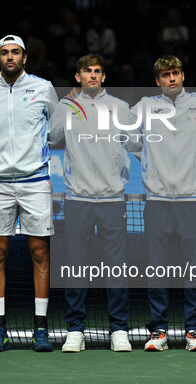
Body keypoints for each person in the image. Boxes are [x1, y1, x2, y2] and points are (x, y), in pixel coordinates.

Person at [0, 35, 57, 352]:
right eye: (4, 53)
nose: (10, 57)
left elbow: (57, 128)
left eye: (15, 52)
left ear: (24, 57)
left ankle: (41, 330)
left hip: (35, 182)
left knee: (40, 254)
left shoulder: (43, 88)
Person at [130, 55, 196, 352]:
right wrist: (150, 160)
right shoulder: (144, 106)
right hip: (157, 200)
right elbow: (127, 136)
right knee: (157, 269)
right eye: (166, 75)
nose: (172, 78)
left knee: (194, 269)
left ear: (183, 76)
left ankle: (194, 331)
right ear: (158, 81)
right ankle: (159, 332)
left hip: (192, 201)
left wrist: (195, 157)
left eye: (176, 73)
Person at [49, 54, 135, 352]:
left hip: (113, 199)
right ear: (78, 77)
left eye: (98, 71)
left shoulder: (120, 108)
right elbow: (49, 138)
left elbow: (137, 144)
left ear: (104, 76)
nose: (93, 76)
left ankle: (119, 330)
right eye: (88, 71)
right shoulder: (66, 106)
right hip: (77, 199)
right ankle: (75, 330)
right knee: (76, 268)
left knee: (116, 269)